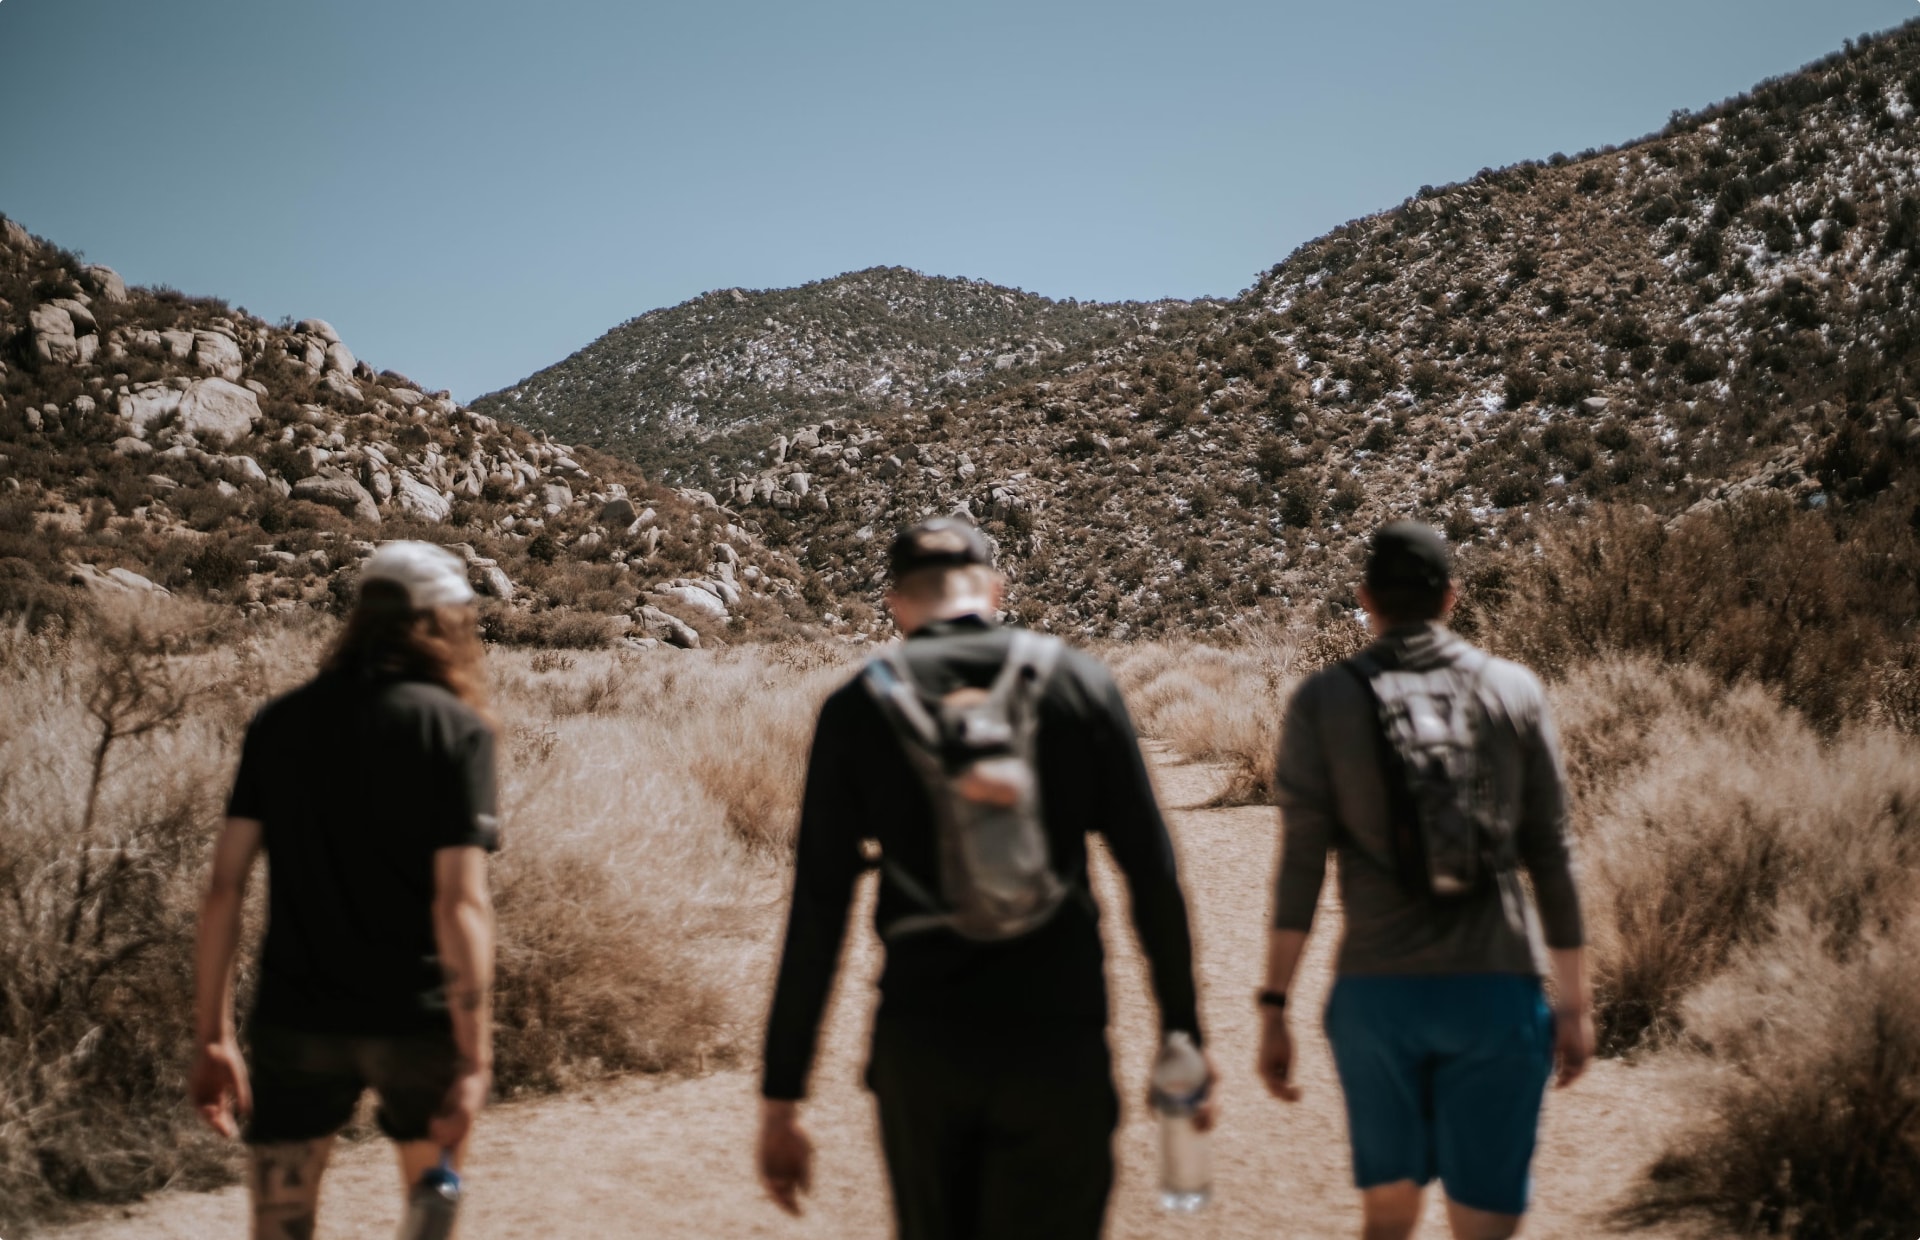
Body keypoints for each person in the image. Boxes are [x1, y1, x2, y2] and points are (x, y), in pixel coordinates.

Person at [757, 517, 1213, 1240]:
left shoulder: (855, 710)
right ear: (995, 591)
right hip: (1057, 1035)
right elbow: (1151, 872)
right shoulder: (1079, 684)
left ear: (895, 604)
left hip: (924, 1046)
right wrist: (1181, 1035)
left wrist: (783, 1097)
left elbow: (819, 908)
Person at [1256, 521, 1593, 1240]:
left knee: (1387, 1216)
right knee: (1484, 1225)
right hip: (1497, 989)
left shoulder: (1324, 701)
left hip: (1376, 995)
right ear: (1453, 597)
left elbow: (1300, 867)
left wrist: (1274, 1005)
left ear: (1364, 599)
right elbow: (1553, 857)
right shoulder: (1514, 690)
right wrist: (1576, 1003)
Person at [189, 541, 500, 1240]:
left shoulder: (280, 722)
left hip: (295, 1015)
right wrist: (476, 1058)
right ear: (445, 622)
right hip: (417, 1020)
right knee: (430, 1217)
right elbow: (460, 904)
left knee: (280, 1226)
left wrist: (212, 1036)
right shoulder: (455, 729)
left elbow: (224, 888)